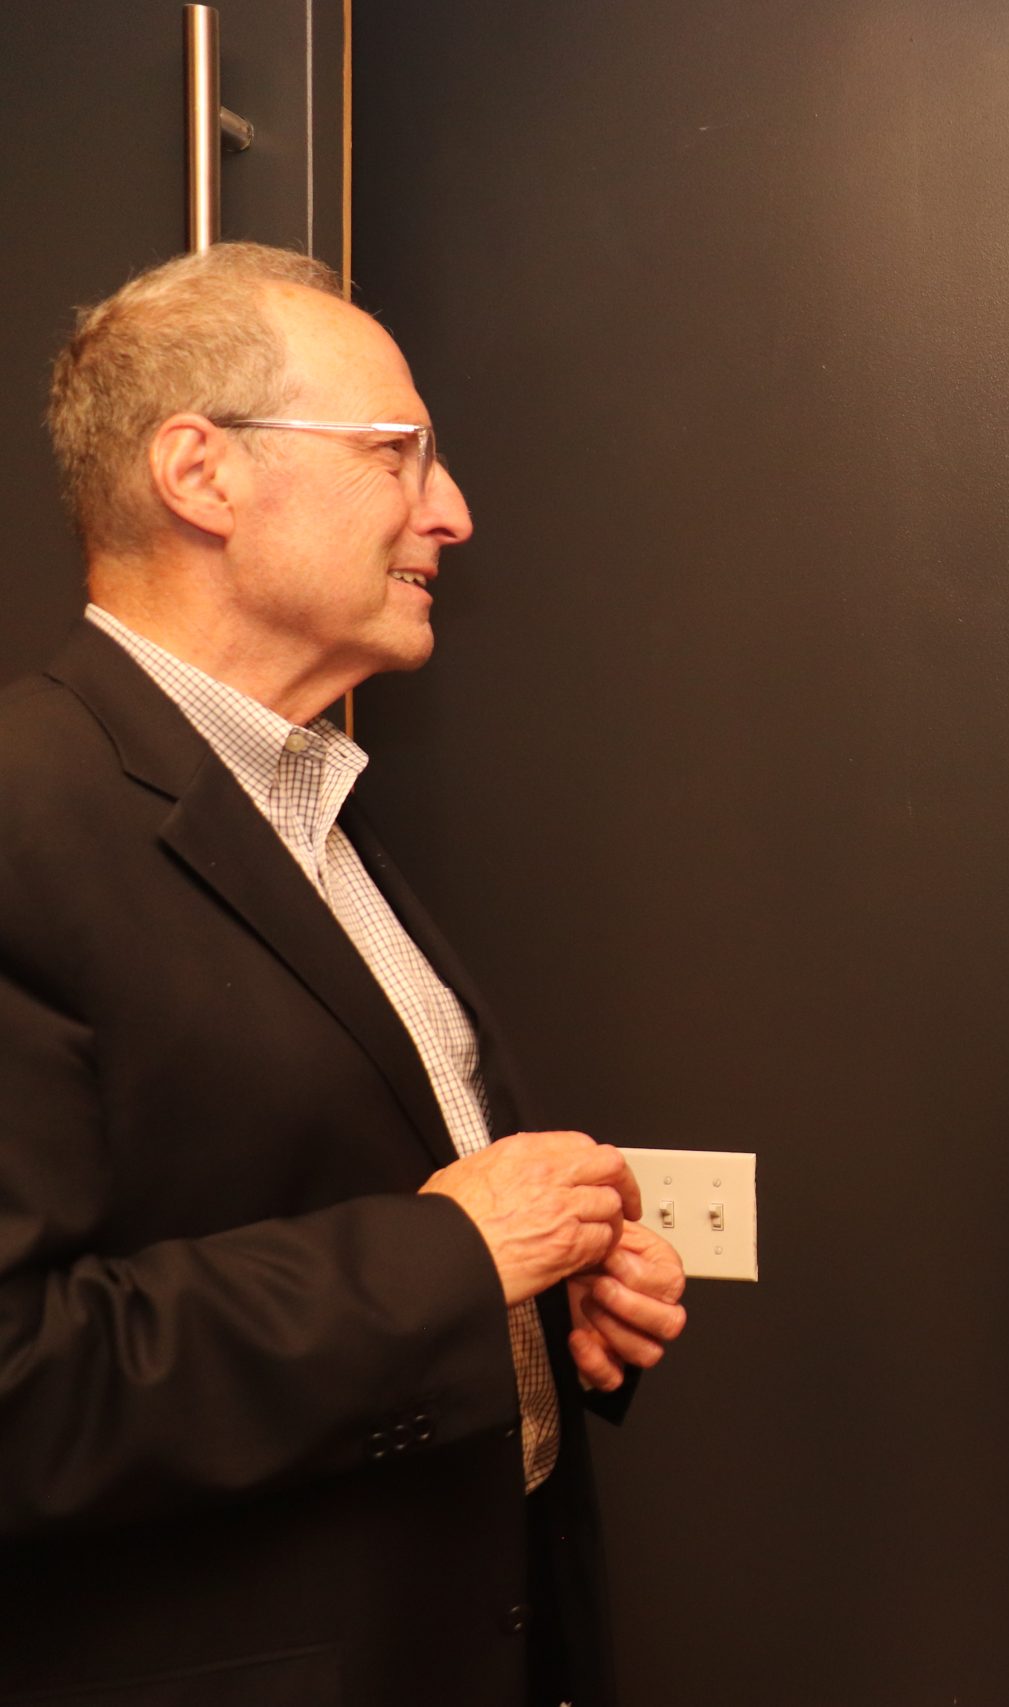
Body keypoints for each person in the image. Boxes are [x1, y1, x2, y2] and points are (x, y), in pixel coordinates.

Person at [0, 242, 686, 1707]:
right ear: (201, 473)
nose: (451, 509)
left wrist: (547, 1310)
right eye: (396, 453)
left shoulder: (312, 806)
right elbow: (23, 1380)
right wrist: (454, 1262)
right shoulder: (22, 814)